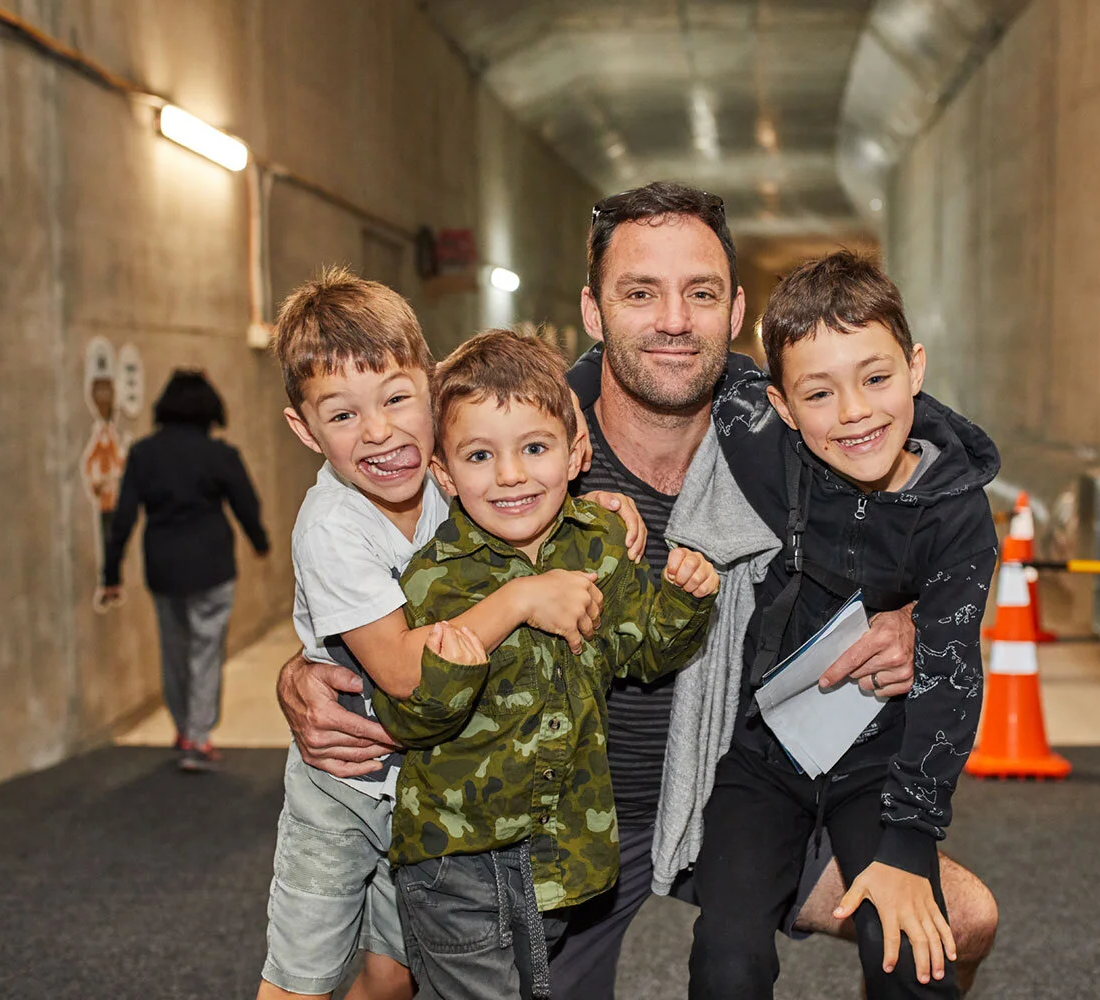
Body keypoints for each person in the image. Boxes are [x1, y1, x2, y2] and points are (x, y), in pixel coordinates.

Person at [275, 183, 1000, 995]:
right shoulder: (514, 438)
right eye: (640, 293)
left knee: (958, 920)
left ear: (735, 313)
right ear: (593, 310)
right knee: (411, 967)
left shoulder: (792, 430)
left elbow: (917, 467)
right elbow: (375, 511)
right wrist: (305, 666)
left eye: (700, 293)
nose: (673, 320)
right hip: (566, 812)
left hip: (745, 786)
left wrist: (912, 617)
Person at [256, 270, 647, 1000]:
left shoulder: (446, 476)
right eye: (342, 416)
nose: (379, 431)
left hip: (426, 793)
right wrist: (523, 599)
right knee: (300, 981)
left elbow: (521, 492)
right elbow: (405, 671)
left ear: (430, 388)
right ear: (304, 429)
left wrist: (596, 509)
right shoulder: (334, 527)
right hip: (343, 791)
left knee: (394, 974)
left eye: (398, 399)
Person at [685, 249, 999, 998]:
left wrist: (910, 842)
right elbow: (654, 364)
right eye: (819, 394)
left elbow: (951, 677)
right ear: (784, 407)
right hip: (760, 760)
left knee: (912, 955)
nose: (855, 412)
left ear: (915, 368)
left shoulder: (957, 511)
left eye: (876, 377)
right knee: (728, 962)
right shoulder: (758, 433)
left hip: (879, 766)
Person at [371, 330, 718, 1000]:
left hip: (563, 857)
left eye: (534, 447)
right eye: (479, 455)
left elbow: (644, 652)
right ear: (444, 473)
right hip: (455, 863)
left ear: (574, 453)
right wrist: (477, 648)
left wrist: (684, 598)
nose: (510, 475)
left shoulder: (598, 546)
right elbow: (410, 715)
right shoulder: (432, 581)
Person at [100, 369, 269, 773]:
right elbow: (247, 504)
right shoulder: (220, 456)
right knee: (205, 651)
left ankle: (183, 729)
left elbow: (122, 518)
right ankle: (198, 736)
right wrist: (260, 542)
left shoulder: (143, 454)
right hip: (211, 566)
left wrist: (111, 572)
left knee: (174, 650)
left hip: (164, 568)